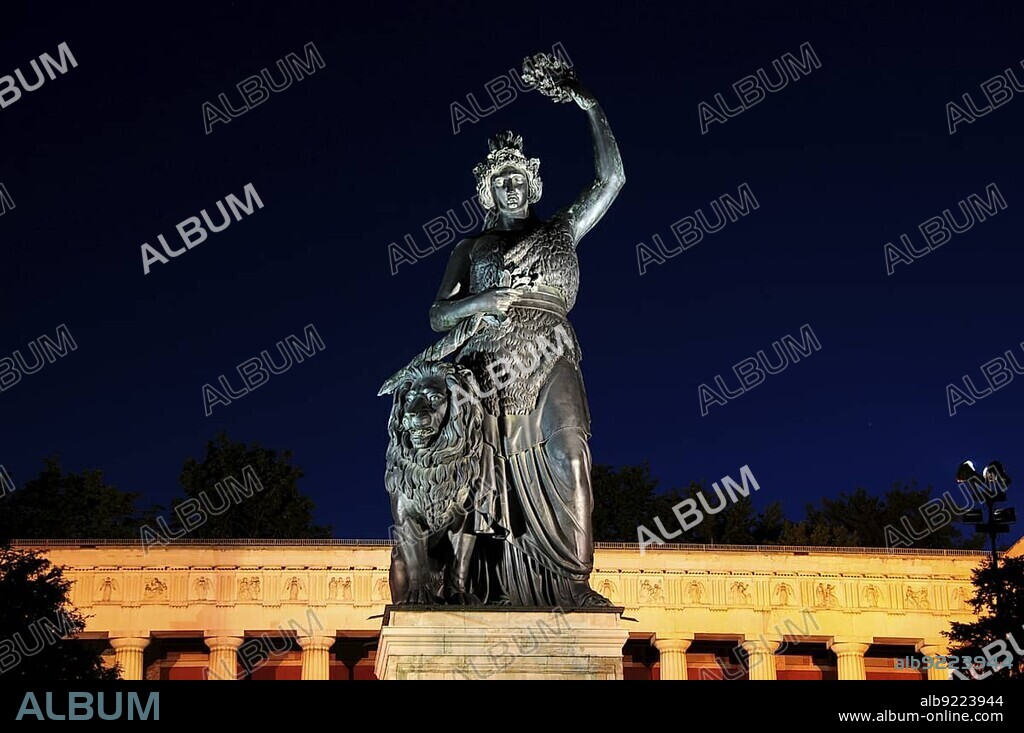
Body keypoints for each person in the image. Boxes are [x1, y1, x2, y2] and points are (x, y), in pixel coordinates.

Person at [428, 56, 625, 607]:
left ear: (532, 183)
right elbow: (439, 316)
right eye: (501, 181)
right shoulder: (470, 248)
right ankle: (484, 582)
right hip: (491, 365)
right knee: (492, 481)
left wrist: (588, 103)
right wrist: (481, 301)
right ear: (488, 191)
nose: (511, 187)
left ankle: (573, 582)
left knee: (571, 452)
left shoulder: (562, 227)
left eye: (518, 178)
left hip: (553, 349)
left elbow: (612, 179)